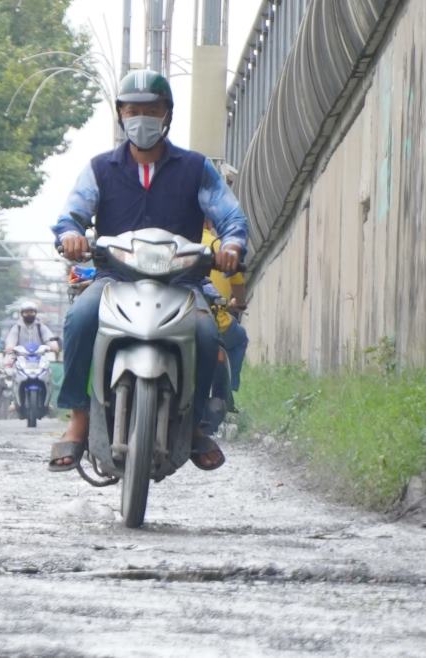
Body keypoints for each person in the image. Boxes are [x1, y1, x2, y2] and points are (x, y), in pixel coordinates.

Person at [50, 69, 248, 473]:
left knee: (209, 334)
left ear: (167, 115)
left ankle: (195, 427)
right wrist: (71, 234)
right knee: (80, 319)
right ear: (121, 115)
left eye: (152, 110)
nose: (142, 118)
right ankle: (78, 420)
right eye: (133, 110)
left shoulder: (195, 168)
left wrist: (231, 245)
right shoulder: (100, 169)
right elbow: (72, 214)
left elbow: (230, 216)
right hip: (114, 278)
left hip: (184, 281)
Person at [201, 164, 249, 396]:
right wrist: (238, 304)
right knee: (239, 340)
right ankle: (231, 391)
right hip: (217, 319)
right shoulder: (220, 247)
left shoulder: (173, 242)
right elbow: (238, 285)